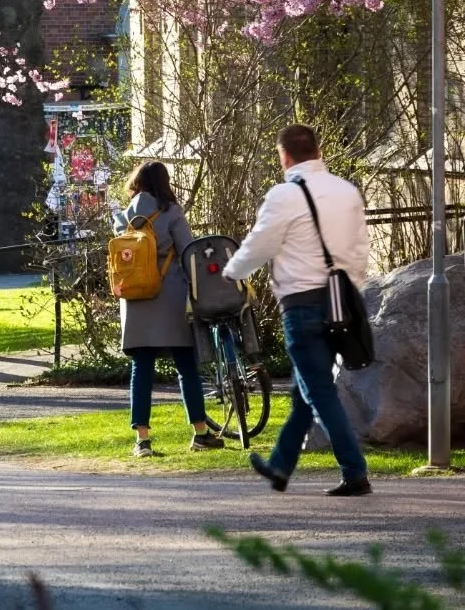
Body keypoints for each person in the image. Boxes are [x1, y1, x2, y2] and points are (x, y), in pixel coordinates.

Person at [224, 123, 372, 497]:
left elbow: (261, 244)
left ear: (284, 155)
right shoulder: (347, 191)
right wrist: (348, 288)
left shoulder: (284, 195)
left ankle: (355, 470)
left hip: (302, 304)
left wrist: (232, 272)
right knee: (305, 391)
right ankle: (280, 466)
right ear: (319, 151)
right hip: (343, 304)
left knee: (318, 389)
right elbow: (359, 250)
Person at [115, 160, 222, 457]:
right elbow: (188, 251)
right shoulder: (171, 212)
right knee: (186, 365)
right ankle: (200, 433)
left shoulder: (123, 216)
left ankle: (143, 441)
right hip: (171, 294)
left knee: (142, 368)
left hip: (135, 299)